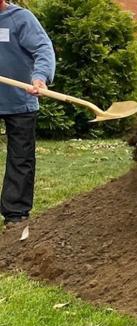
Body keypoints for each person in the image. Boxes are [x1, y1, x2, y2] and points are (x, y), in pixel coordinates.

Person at [0, 0, 54, 232]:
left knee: (20, 158)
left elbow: (43, 49)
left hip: (20, 101)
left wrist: (40, 77)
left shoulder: (20, 19)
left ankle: (15, 213)